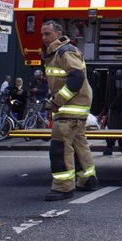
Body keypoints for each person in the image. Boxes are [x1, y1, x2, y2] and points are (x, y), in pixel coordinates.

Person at [41, 20, 98, 201]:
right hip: (74, 108)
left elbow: (76, 77)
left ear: (58, 34)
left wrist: (57, 101)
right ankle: (88, 179)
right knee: (78, 143)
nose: (44, 38)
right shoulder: (60, 52)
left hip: (69, 109)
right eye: (42, 34)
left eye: (47, 34)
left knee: (60, 147)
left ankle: (63, 187)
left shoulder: (64, 51)